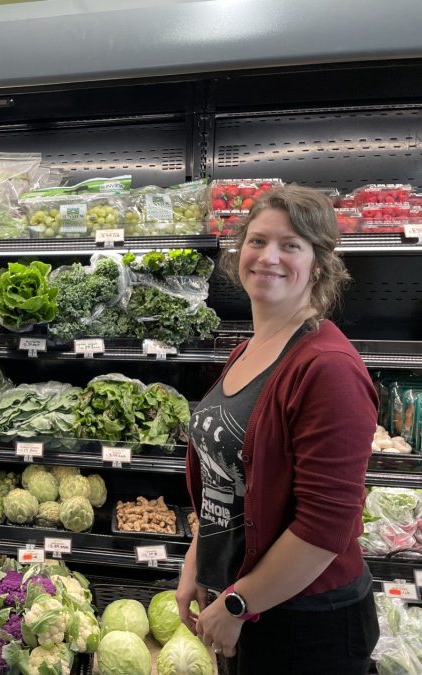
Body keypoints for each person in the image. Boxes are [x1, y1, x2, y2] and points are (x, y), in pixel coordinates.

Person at [175, 185, 379, 674]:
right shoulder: (246, 352)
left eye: (291, 245)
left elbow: (322, 528)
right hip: (247, 604)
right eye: (257, 241)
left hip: (306, 624)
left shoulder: (328, 367)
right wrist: (195, 561)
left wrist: (237, 604)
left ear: (319, 264)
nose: (269, 257)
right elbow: (226, 482)